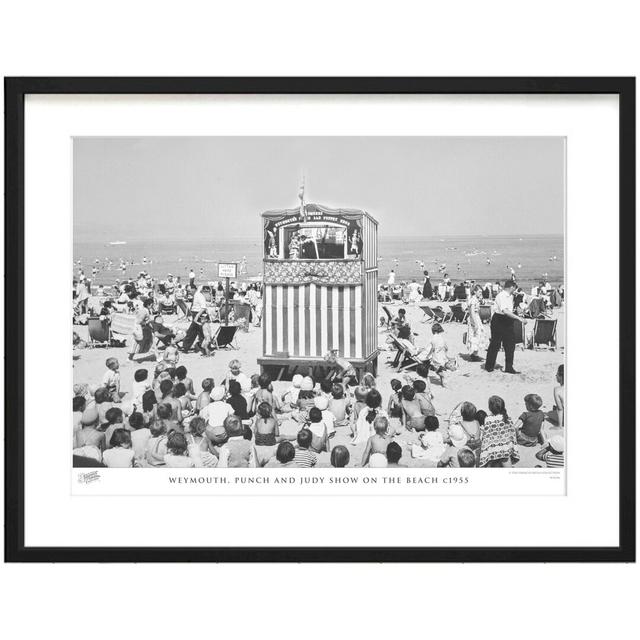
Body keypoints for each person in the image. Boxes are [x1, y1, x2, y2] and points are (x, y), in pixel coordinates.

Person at [485, 280, 525, 374]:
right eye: (514, 288)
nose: (515, 290)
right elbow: (505, 311)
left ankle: (509, 367)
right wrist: (519, 319)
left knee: (510, 344)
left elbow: (511, 310)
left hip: (508, 321)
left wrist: (518, 312)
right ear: (511, 287)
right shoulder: (501, 296)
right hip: (499, 320)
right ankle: (489, 366)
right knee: (495, 344)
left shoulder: (511, 296)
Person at [478, 396, 520, 468]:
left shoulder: (488, 420)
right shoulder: (507, 418)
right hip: (506, 449)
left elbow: (485, 438)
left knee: (488, 464)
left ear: (490, 408)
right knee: (506, 461)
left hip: (492, 450)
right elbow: (512, 435)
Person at [253, 402, 279, 466]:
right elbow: (277, 434)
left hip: (259, 441)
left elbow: (255, 433)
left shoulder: (258, 421)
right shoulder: (273, 421)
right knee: (283, 437)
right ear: (270, 411)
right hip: (270, 442)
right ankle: (295, 437)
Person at [425, 323, 451, 387]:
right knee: (441, 368)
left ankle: (444, 378)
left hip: (436, 356)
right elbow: (446, 347)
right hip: (442, 356)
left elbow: (433, 348)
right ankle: (443, 382)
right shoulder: (441, 337)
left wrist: (428, 355)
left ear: (433, 331)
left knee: (437, 370)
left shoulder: (433, 338)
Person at [467, 284, 488, 362]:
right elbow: (472, 312)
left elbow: (483, 303)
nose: (480, 293)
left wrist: (481, 299)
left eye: (481, 292)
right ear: (475, 291)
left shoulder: (475, 299)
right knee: (476, 335)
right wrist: (475, 323)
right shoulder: (473, 300)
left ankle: (475, 353)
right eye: (479, 292)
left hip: (476, 317)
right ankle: (474, 354)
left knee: (478, 335)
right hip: (474, 318)